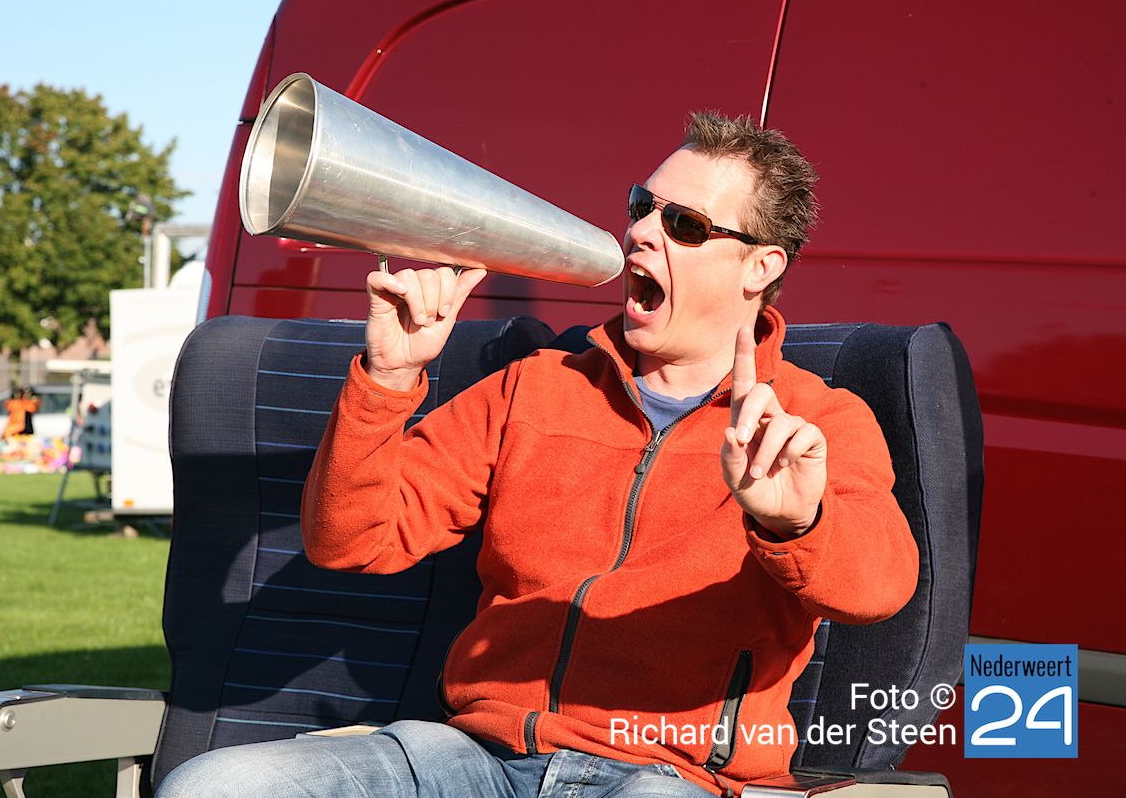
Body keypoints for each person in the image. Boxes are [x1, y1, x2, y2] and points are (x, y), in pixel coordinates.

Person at [158, 113, 918, 798]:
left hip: (665, 775)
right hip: (473, 758)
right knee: (213, 785)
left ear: (761, 267)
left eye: (684, 224)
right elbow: (350, 540)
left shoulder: (814, 420)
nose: (641, 232)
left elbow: (881, 588)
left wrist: (796, 524)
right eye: (641, 206)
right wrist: (387, 379)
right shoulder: (534, 387)